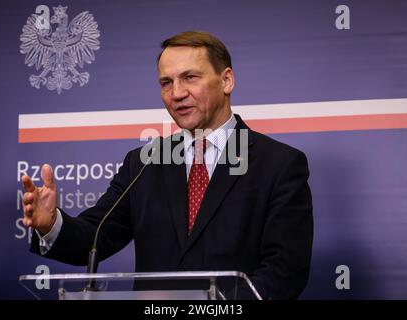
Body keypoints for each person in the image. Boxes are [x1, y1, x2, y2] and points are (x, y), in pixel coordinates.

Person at [22, 31, 313, 299]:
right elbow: (95, 237)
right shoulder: (144, 163)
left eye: (190, 77)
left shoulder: (279, 164)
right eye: (166, 82)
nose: (176, 94)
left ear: (226, 81)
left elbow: (285, 271)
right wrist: (51, 225)